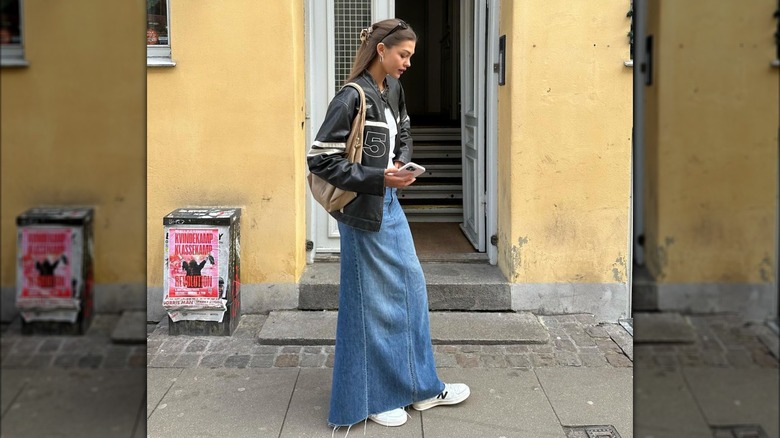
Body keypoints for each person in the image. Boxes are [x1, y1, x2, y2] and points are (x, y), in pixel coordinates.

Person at [307, 18, 470, 430]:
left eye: (411, 56)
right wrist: (379, 177)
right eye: (404, 55)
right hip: (361, 213)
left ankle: (420, 387)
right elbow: (320, 159)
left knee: (410, 290)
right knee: (370, 303)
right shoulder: (351, 96)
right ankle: (374, 398)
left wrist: (399, 163)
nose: (408, 63)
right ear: (381, 51)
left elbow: (405, 130)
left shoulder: (391, 89)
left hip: (388, 204)